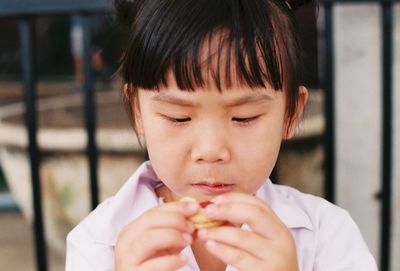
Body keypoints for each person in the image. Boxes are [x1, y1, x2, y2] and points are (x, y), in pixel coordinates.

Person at [66, 0, 378, 270]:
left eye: (244, 117)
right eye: (179, 117)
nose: (211, 150)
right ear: (137, 111)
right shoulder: (100, 241)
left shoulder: (326, 236)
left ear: (291, 114)